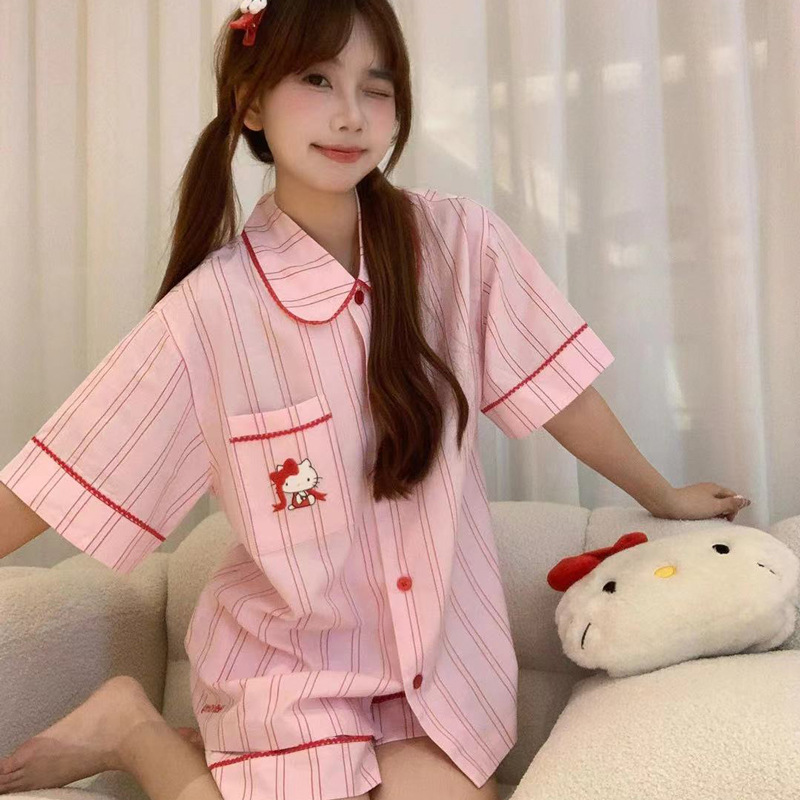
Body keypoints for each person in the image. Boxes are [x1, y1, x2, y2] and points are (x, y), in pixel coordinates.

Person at [0, 1, 752, 799]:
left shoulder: (460, 245)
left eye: (377, 88)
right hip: (290, 668)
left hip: (439, 668)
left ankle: (141, 732)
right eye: (317, 81)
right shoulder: (209, 312)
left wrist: (663, 495)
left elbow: (561, 393)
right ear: (250, 103)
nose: (351, 115)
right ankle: (132, 727)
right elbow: (64, 472)